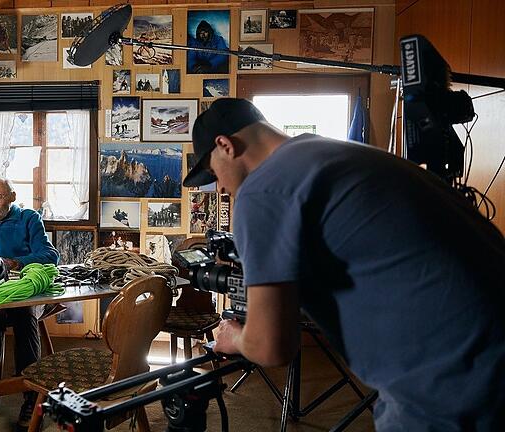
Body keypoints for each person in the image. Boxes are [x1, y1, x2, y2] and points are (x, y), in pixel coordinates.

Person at [183, 98, 505, 431]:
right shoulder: (339, 153)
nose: (219, 185)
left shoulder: (262, 190)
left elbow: (271, 346)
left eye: (212, 172)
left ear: (225, 145)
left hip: (457, 384)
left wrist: (234, 338)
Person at [0, 178, 59, 430]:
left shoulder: (29, 219)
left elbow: (50, 255)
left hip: (25, 292)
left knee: (25, 315)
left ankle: (31, 395)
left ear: (12, 196)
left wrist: (15, 263)